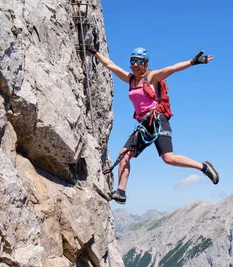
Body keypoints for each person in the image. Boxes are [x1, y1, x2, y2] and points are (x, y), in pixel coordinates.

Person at [87, 46, 219, 205]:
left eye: (139, 62)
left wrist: (193, 61)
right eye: (132, 61)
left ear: (145, 63)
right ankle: (121, 192)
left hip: (157, 120)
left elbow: (172, 69)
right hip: (144, 124)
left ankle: (203, 167)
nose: (135, 64)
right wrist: (95, 53)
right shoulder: (130, 79)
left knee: (168, 158)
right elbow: (111, 66)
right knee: (124, 154)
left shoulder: (151, 77)